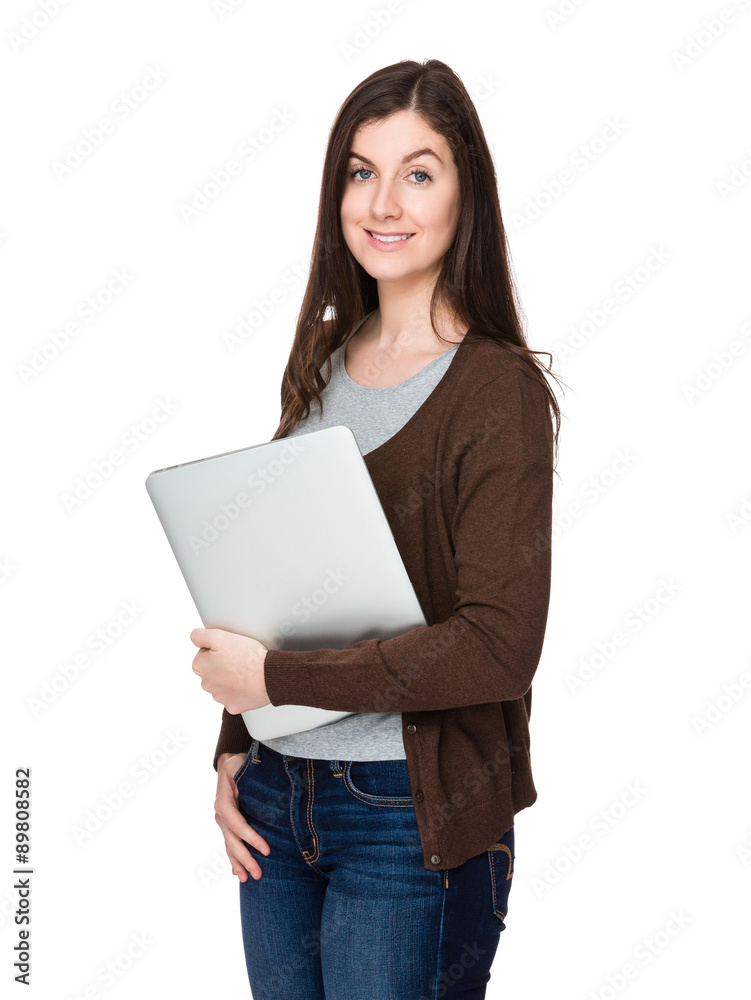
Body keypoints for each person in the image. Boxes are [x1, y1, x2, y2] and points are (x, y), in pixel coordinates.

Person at [189, 58, 565, 1000]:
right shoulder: (323, 362)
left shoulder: (496, 392)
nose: (383, 202)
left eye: (418, 171)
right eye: (360, 171)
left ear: (464, 192)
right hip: (280, 798)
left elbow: (495, 648)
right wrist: (238, 740)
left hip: (407, 813)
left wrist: (273, 680)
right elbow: (294, 581)